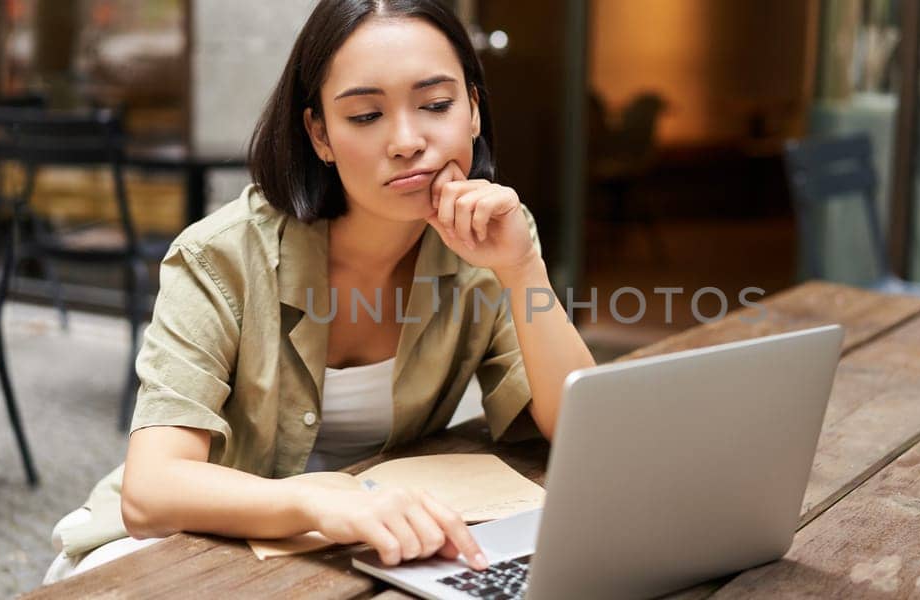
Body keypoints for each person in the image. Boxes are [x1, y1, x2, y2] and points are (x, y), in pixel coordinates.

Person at [41, 0, 596, 584]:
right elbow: (152, 491)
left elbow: (574, 429)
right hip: (172, 550)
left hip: (353, 555)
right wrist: (325, 501)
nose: (408, 140)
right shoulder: (221, 256)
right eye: (364, 116)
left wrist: (523, 268)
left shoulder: (493, 238)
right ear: (319, 134)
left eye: (436, 105)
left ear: (474, 111)